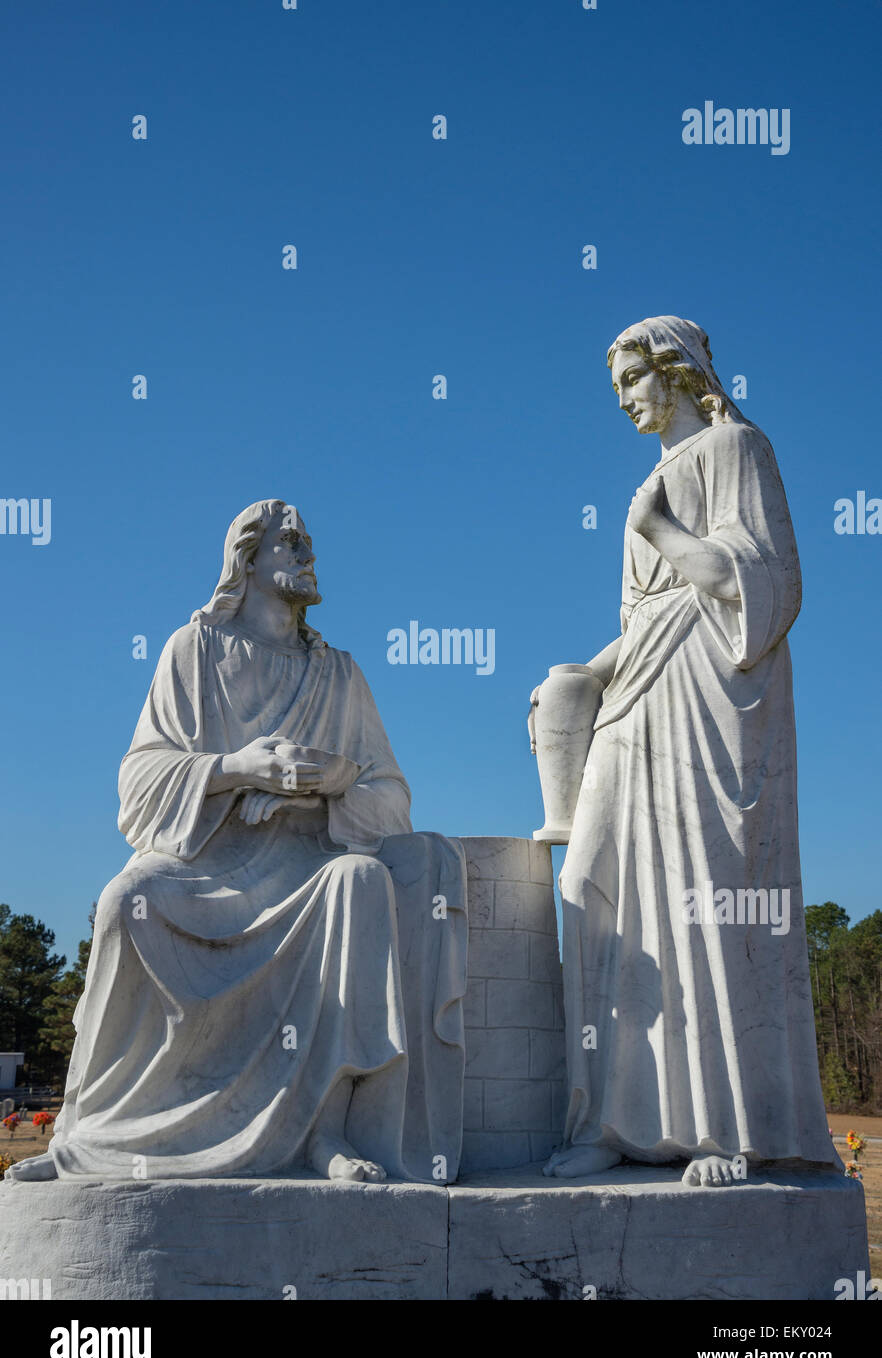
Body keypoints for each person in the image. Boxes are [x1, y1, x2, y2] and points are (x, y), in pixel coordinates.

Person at [12, 500, 467, 1184]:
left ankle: (326, 1133)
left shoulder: (340, 673)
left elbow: (392, 795)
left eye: (309, 543)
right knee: (126, 899)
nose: (308, 556)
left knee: (361, 882)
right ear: (246, 560)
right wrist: (237, 768)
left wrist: (327, 787)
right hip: (211, 866)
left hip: (309, 863)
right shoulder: (193, 652)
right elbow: (139, 783)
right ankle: (95, 1134)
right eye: (290, 544)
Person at [543, 317, 839, 1185]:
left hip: (711, 704)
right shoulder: (655, 481)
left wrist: (661, 527)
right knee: (598, 888)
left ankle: (722, 1131)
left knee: (704, 902)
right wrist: (579, 675)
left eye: (635, 381)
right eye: (619, 389)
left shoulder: (737, 447)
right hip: (638, 696)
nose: (628, 400)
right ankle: (611, 1119)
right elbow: (644, 618)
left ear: (674, 375)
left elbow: (766, 588)